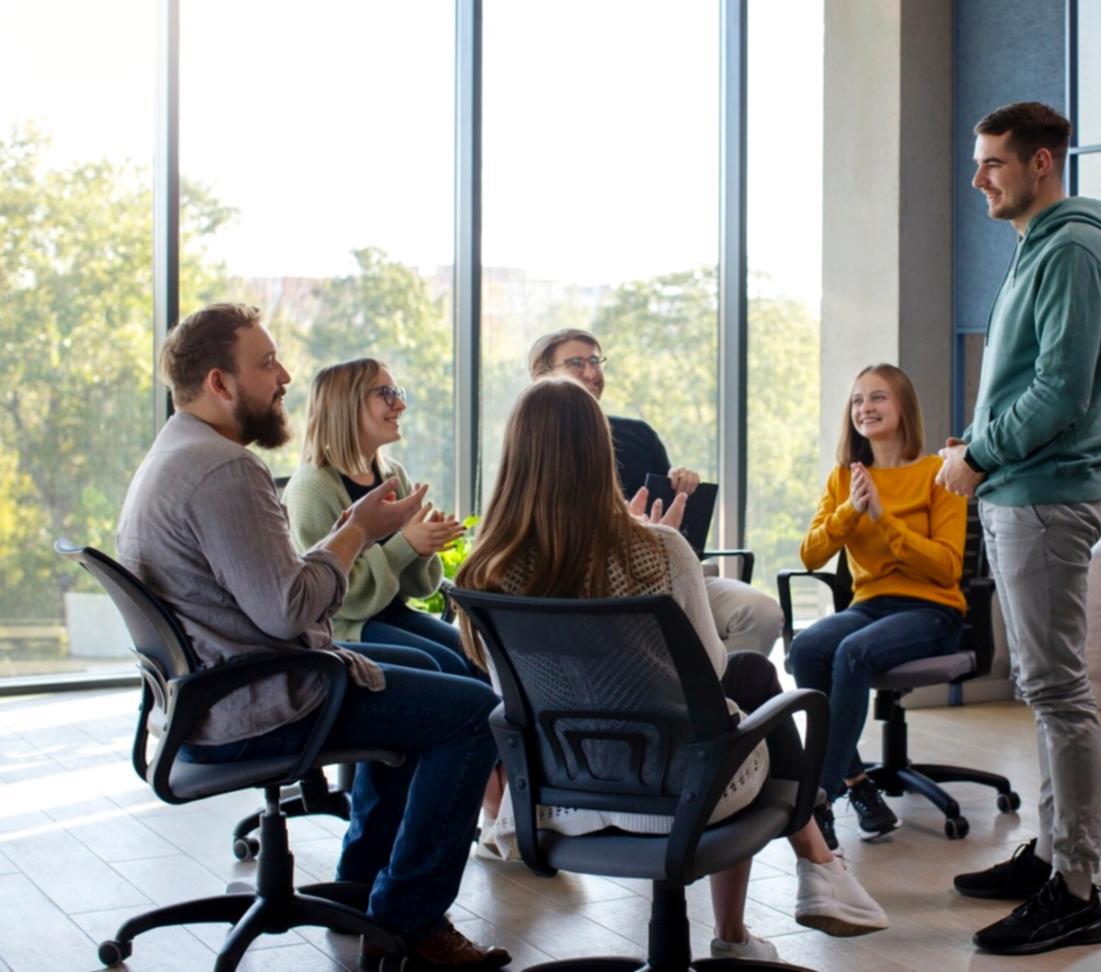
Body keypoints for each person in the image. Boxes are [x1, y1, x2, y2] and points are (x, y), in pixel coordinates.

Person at [116, 303, 510, 970]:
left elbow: (275, 596)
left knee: (434, 692)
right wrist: (355, 533)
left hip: (213, 699)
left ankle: (363, 886)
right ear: (219, 382)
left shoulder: (174, 454)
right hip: (261, 702)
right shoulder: (224, 471)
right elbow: (290, 610)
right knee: (474, 714)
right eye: (266, 363)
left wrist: (357, 531)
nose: (285, 375)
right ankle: (412, 922)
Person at [453, 378, 888, 961]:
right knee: (749, 681)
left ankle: (801, 882)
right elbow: (707, 672)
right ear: (599, 454)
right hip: (678, 796)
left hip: (554, 801)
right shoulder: (660, 549)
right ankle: (797, 883)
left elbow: (502, 683)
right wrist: (645, 539)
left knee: (750, 677)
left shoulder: (484, 569)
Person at [935, 101, 1101, 956]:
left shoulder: (1076, 250)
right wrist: (977, 445)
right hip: (1026, 489)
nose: (979, 177)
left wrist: (978, 453)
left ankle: (1078, 889)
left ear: (1042, 163)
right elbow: (1033, 383)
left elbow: (1061, 392)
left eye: (993, 163)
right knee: (1045, 693)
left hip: (1045, 495)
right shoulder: (1043, 248)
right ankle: (1052, 857)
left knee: (1059, 695)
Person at [789, 364, 968, 847]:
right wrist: (851, 510)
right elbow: (810, 554)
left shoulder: (939, 473)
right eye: (857, 401)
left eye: (878, 398)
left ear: (904, 406)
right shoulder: (844, 479)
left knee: (852, 652)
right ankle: (858, 783)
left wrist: (883, 521)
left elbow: (948, 568)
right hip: (870, 605)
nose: (865, 408)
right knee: (806, 649)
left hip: (932, 609)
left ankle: (818, 801)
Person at [526, 329, 783, 657]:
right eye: (576, 363)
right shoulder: (534, 452)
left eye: (595, 361)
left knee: (760, 613)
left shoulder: (639, 435)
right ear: (541, 376)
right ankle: (698, 696)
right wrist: (627, 537)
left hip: (665, 567)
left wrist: (680, 486)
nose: (591, 373)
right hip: (597, 582)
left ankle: (713, 697)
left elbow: (676, 527)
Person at [283, 358, 475, 678]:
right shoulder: (312, 488)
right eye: (385, 393)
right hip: (344, 629)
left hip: (390, 614)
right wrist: (406, 543)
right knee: (449, 668)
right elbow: (341, 601)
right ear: (346, 404)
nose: (400, 404)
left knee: (479, 657)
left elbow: (417, 587)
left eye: (397, 392)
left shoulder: (392, 474)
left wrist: (422, 546)